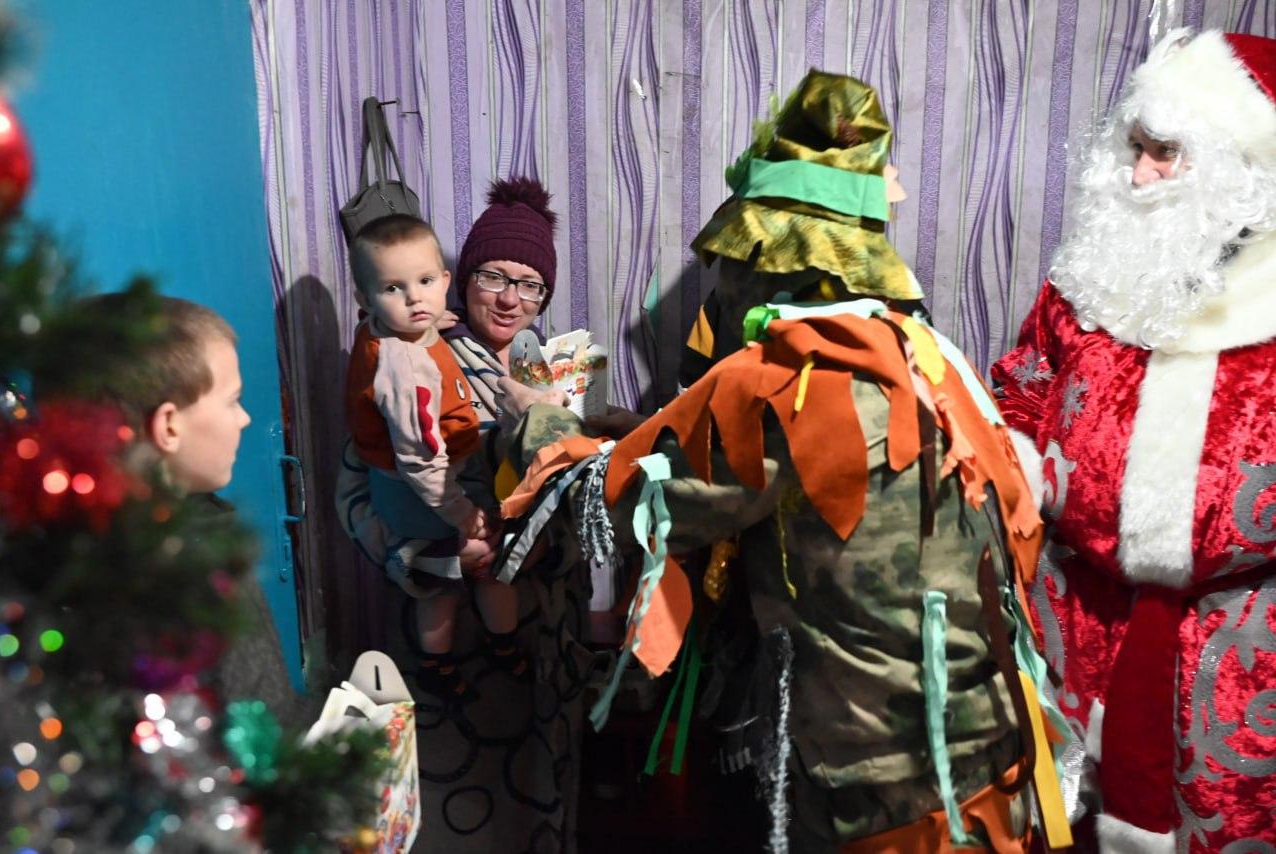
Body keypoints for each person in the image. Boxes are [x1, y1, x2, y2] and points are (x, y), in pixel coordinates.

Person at [500, 70, 1049, 852]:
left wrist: (535, 419)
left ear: (770, 267)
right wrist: (645, 429)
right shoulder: (922, 354)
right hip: (983, 755)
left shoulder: (795, 381)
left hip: (883, 786)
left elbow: (617, 504)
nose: (722, 287)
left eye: (735, 262)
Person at [992, 29, 1276, 851]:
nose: (1139, 173)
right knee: (1054, 818)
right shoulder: (1093, 271)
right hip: (1070, 610)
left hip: (1237, 641)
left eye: (1165, 154)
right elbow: (1024, 384)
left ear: (1240, 171)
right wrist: (1011, 463)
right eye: (1136, 148)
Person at [81, 292, 314, 725]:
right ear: (169, 427)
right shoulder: (204, 560)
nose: (244, 418)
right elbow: (264, 728)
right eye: (232, 400)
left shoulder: (68, 542)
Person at [344, 212, 521, 699]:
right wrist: (463, 515)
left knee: (463, 576)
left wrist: (426, 321)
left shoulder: (387, 329)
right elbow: (421, 461)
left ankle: (456, 654)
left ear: (445, 281)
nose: (414, 299)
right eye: (394, 288)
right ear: (366, 300)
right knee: (471, 573)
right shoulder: (407, 369)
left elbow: (409, 313)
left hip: (406, 483)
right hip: (422, 493)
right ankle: (457, 660)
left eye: (424, 282)